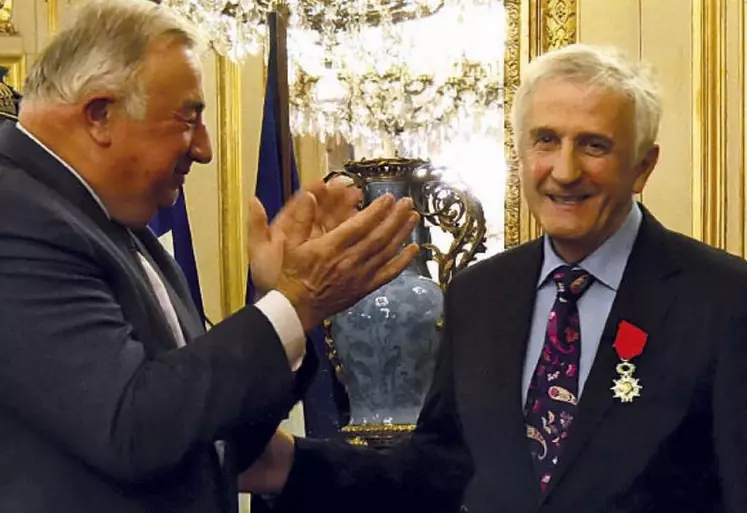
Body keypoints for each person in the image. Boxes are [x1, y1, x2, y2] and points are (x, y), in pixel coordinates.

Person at [241, 43, 747, 513]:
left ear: (642, 166)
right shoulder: (479, 294)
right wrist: (286, 464)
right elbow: (439, 472)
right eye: (546, 140)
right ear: (521, 153)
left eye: (594, 145)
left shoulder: (724, 301)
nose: (565, 171)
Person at [0, 0, 420, 512]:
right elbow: (132, 429)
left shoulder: (120, 228)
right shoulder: (15, 215)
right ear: (100, 114)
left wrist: (275, 295)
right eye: (189, 119)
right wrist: (295, 304)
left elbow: (211, 437)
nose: (204, 149)